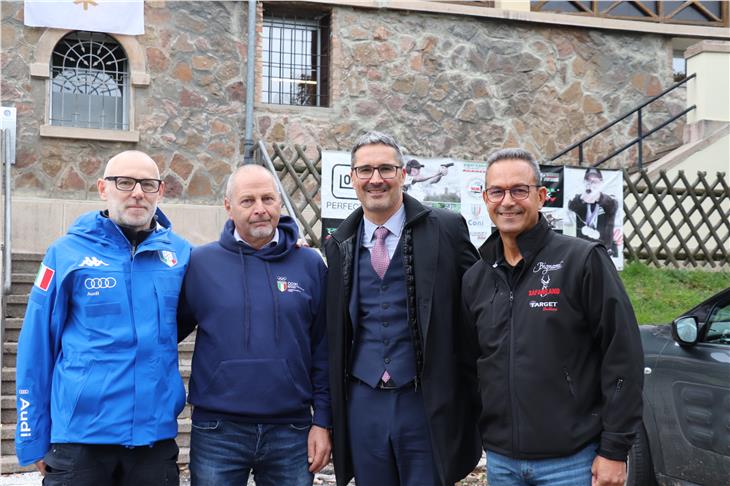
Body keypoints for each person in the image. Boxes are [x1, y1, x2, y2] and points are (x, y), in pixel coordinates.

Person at [461, 148, 644, 486]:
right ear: (485, 198)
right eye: (497, 191)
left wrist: (615, 450)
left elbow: (623, 357)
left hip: (573, 462)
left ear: (541, 196)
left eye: (519, 190)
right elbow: (473, 366)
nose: (507, 201)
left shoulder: (582, 261)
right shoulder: (476, 278)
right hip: (502, 463)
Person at [15, 150, 191, 485]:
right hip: (80, 443)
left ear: (161, 191)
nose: (137, 192)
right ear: (102, 188)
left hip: (152, 444)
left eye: (147, 184)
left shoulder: (181, 255)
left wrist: (284, 250)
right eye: (124, 182)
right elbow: (36, 346)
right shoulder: (65, 253)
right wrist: (32, 436)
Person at [324, 131, 481, 486]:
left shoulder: (446, 229)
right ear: (352, 177)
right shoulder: (338, 245)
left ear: (403, 174)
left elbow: (479, 305)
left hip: (424, 401)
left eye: (385, 169)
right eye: (365, 170)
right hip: (363, 402)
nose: (375, 179)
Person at [177, 164, 331, 486]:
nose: (260, 209)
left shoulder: (309, 264)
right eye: (248, 201)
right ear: (228, 207)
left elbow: (324, 349)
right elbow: (166, 335)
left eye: (268, 199)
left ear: (279, 203)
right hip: (218, 429)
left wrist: (324, 421)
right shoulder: (201, 264)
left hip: (291, 430)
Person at [567, 167, 619, 256]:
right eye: (588, 181)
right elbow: (571, 206)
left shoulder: (610, 201)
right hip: (582, 248)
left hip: (604, 248)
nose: (591, 184)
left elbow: (611, 205)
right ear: (584, 183)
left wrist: (598, 197)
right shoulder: (579, 199)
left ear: (601, 183)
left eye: (595, 181)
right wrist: (582, 199)